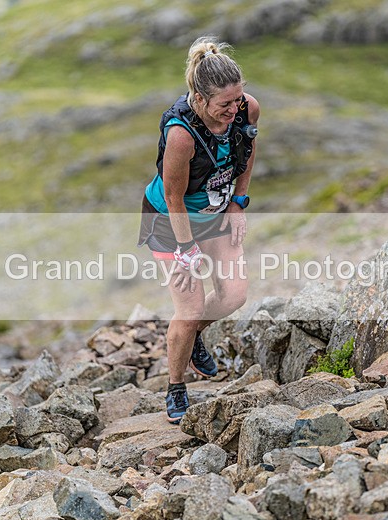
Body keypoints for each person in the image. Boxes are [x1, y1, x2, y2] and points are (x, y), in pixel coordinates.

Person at [138, 36, 260, 423]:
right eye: (225, 104)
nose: (234, 109)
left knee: (234, 294)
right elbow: (173, 197)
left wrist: (239, 203)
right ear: (200, 98)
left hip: (217, 214)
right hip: (170, 222)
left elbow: (248, 151)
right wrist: (187, 249)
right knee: (189, 310)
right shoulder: (181, 135)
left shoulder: (248, 108)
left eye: (237, 99)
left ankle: (191, 340)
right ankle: (175, 386)